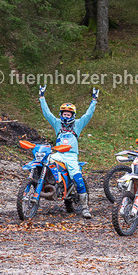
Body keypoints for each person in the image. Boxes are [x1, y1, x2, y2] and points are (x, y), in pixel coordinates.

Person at [38, 85, 97, 219]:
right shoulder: (57, 123)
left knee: (79, 179)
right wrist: (41, 97)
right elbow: (47, 114)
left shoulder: (78, 124)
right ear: (61, 114)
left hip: (71, 156)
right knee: (44, 162)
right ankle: (46, 184)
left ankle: (85, 208)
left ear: (73, 115)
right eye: (64, 114)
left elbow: (88, 115)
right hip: (58, 154)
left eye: (68, 114)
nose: (66, 116)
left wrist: (94, 100)